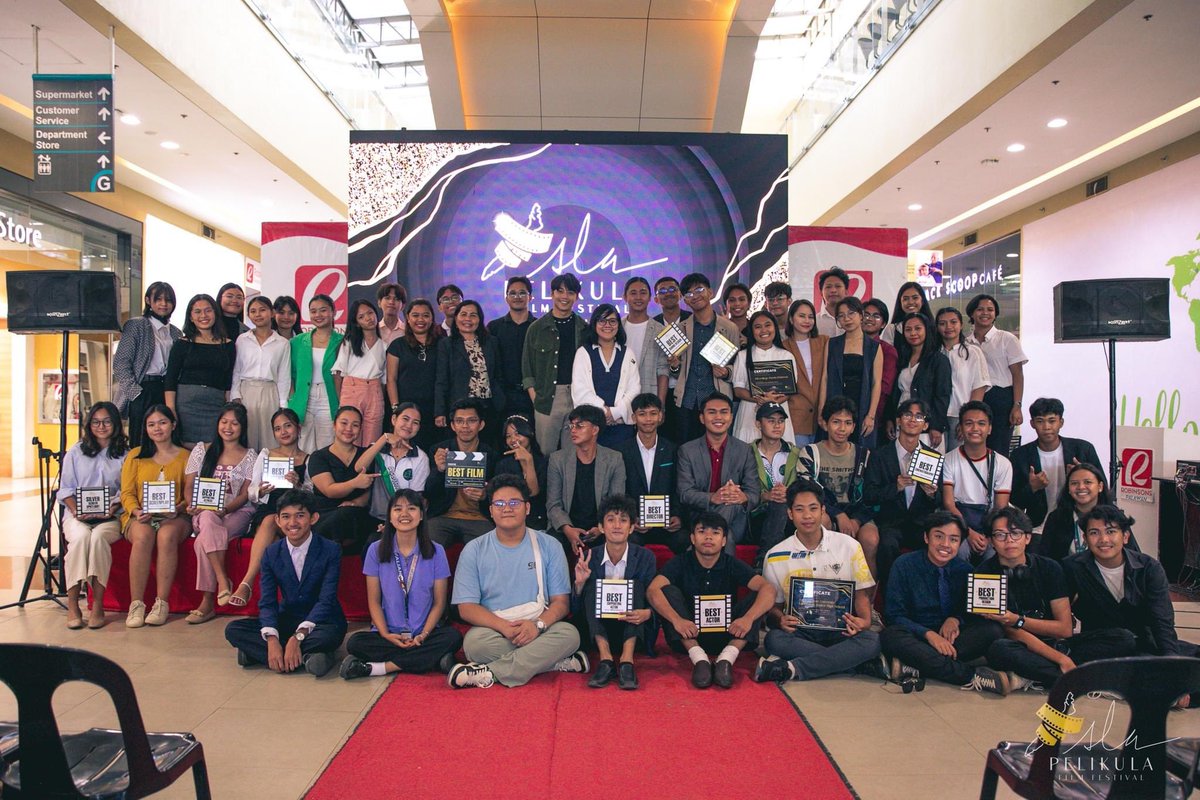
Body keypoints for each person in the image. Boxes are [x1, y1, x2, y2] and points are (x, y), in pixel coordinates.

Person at [448, 475, 588, 688]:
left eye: (514, 503)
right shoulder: (474, 550)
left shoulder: (549, 545)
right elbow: (466, 608)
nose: (507, 508)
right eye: (500, 504)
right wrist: (503, 627)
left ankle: (490, 673)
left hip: (539, 624)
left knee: (570, 635)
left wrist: (537, 626)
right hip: (496, 628)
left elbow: (561, 602)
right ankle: (551, 662)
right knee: (474, 645)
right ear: (491, 510)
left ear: (528, 508)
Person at [977, 507, 1135, 693]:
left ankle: (1027, 677)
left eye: (1016, 533)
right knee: (998, 649)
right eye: (1000, 535)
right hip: (1022, 647)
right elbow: (1011, 632)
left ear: (1028, 538)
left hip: (1059, 644)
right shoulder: (983, 575)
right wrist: (1060, 660)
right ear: (991, 541)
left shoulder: (1049, 568)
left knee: (1124, 638)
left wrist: (1019, 620)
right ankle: (1086, 680)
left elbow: (1065, 628)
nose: (1009, 540)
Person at [756, 478, 881, 682]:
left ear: (823, 511)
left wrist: (865, 621)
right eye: (799, 509)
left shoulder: (849, 546)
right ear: (789, 514)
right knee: (773, 639)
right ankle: (853, 661)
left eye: (813, 508)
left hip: (842, 631)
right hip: (801, 631)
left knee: (872, 640)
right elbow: (774, 608)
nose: (807, 516)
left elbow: (861, 594)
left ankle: (792, 668)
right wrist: (780, 619)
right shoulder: (776, 555)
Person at [340, 489, 463, 680]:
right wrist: (386, 634)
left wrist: (423, 634)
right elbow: (373, 601)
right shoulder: (376, 549)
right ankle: (432, 659)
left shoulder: (436, 550)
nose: (404, 514)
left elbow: (439, 603)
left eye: (412, 508)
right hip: (389, 635)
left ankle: (379, 668)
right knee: (355, 643)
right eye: (398, 509)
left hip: (425, 634)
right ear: (389, 516)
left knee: (452, 637)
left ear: (421, 515)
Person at [224, 489, 346, 676]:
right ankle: (309, 658)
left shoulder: (330, 550)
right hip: (287, 619)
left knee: (330, 636)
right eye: (286, 517)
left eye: (300, 516)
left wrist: (297, 638)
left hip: (322, 621)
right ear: (278, 521)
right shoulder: (271, 553)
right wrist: (272, 639)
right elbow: (267, 601)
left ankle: (262, 655)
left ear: (313, 518)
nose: (293, 523)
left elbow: (326, 600)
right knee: (233, 630)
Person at [647, 512, 776, 689]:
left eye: (715, 532)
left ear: (724, 540)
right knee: (666, 590)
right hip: (689, 634)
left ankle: (726, 659)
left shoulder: (731, 563)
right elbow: (653, 589)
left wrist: (748, 619)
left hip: (729, 633)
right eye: (702, 531)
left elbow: (768, 589)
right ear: (692, 538)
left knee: (758, 596)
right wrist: (677, 621)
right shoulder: (680, 562)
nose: (708, 537)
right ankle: (699, 659)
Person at [880, 512, 1004, 688]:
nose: (945, 545)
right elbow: (894, 615)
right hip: (917, 635)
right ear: (926, 537)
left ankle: (918, 664)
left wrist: (955, 619)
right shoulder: (904, 564)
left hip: (952, 639)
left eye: (953, 540)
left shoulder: (966, 570)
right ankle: (970, 675)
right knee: (889, 636)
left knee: (993, 630)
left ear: (960, 543)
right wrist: (929, 635)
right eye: (939, 536)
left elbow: (970, 612)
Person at [1064, 505, 1199, 666]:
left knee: (1189, 657)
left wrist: (1172, 663)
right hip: (1102, 643)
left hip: (1144, 640)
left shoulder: (1148, 568)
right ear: (1085, 539)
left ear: (1125, 536)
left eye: (1111, 531)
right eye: (1094, 533)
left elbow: (1162, 621)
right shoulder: (1072, 568)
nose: (1103, 539)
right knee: (1125, 642)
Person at [571, 494, 657, 689]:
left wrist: (648, 613)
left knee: (634, 587)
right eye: (611, 520)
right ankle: (606, 660)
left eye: (623, 520)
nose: (617, 525)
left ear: (632, 527)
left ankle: (627, 661)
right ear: (601, 527)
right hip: (599, 629)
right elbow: (576, 608)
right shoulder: (588, 557)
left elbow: (654, 599)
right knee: (592, 585)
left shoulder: (645, 557)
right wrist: (579, 584)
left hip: (634, 626)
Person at [184, 402, 257, 623]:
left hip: (237, 513)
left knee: (202, 541)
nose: (228, 427)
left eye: (234, 423)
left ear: (242, 428)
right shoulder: (201, 450)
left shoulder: (250, 456)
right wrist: (192, 504)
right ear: (217, 424)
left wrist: (225, 509)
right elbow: (189, 486)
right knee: (207, 517)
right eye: (224, 422)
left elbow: (245, 494)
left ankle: (207, 603)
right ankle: (223, 581)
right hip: (204, 513)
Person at [120, 404, 192, 628]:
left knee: (166, 535)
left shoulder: (186, 456)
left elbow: (190, 496)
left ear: (173, 425)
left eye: (162, 422)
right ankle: (137, 604)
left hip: (175, 517)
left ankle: (161, 603)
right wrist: (135, 510)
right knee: (143, 536)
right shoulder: (136, 455)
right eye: (151, 424)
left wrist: (177, 509)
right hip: (140, 516)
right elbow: (127, 493)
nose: (157, 428)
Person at [231, 408, 309, 608]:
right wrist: (262, 491)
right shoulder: (266, 454)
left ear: (298, 429)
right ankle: (248, 583)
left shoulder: (308, 458)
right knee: (269, 522)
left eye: (288, 426)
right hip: (270, 509)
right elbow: (251, 491)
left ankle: (268, 600)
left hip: (295, 514)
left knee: (275, 542)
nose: (283, 432)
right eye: (277, 428)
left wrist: (299, 484)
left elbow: (313, 493)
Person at [60, 402, 128, 629]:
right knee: (80, 539)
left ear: (116, 424)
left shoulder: (126, 455)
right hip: (77, 515)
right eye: (96, 421)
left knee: (98, 539)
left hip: (112, 515)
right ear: (89, 425)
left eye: (107, 421)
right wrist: (75, 510)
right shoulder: (75, 452)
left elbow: (127, 490)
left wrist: (113, 506)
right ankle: (73, 604)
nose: (101, 426)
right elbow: (65, 489)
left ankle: (98, 604)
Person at [861, 399, 942, 584]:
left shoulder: (933, 457)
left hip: (921, 522)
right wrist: (895, 487)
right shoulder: (879, 455)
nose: (913, 420)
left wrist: (931, 494)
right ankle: (890, 594)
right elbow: (869, 494)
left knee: (932, 542)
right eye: (907, 415)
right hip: (891, 522)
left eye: (919, 416)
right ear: (898, 420)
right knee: (887, 544)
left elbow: (941, 500)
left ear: (926, 425)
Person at [676, 391, 759, 552]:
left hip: (735, 520)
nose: (718, 417)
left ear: (731, 417)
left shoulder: (744, 450)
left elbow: (754, 494)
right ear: (702, 418)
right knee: (724, 538)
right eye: (712, 412)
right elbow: (684, 493)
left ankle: (704, 537)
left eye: (724, 412)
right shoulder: (687, 450)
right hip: (698, 517)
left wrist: (742, 497)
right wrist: (713, 498)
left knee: (731, 502)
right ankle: (715, 533)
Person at [799, 397, 874, 572]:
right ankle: (822, 586)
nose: (842, 428)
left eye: (848, 423)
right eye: (836, 422)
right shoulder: (810, 452)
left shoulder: (864, 455)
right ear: (825, 424)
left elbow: (872, 496)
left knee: (871, 539)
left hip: (856, 511)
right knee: (821, 522)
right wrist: (838, 515)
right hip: (825, 510)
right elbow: (808, 492)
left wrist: (856, 520)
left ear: (854, 427)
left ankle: (867, 596)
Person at [1009, 397, 1102, 532]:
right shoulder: (1020, 455)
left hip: (1081, 522)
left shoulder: (1083, 449)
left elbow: (1102, 488)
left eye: (1052, 421)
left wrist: (1082, 475)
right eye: (1040, 421)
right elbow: (1015, 501)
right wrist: (1032, 487)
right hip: (1037, 527)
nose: (1046, 427)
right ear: (1032, 423)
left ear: (1061, 422)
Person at [546, 405, 626, 558]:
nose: (573, 430)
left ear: (595, 430)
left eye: (579, 426)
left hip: (601, 526)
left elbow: (617, 502)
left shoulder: (614, 459)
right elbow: (553, 504)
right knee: (552, 543)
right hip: (565, 526)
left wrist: (601, 527)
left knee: (615, 538)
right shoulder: (558, 459)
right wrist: (568, 529)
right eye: (571, 426)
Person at [112, 281, 182, 448]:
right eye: (158, 299)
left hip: (166, 390)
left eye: (168, 300)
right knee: (141, 441)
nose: (164, 304)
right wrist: (135, 393)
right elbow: (121, 362)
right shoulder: (136, 325)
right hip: (142, 388)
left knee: (167, 439)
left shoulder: (175, 332)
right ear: (148, 300)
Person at [942, 401, 1013, 563]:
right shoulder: (948, 460)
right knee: (958, 552)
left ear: (990, 428)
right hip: (959, 523)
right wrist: (968, 532)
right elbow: (949, 503)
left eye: (981, 424)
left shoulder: (1003, 464)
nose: (975, 429)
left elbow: (1000, 508)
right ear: (960, 427)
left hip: (990, 525)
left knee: (995, 556)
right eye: (969, 423)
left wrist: (991, 537)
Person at [522, 273, 585, 454]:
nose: (564, 296)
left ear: (577, 297)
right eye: (560, 291)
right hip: (547, 398)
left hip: (577, 396)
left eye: (570, 292)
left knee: (573, 454)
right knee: (545, 453)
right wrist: (536, 398)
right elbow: (527, 368)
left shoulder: (584, 328)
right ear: (551, 294)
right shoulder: (536, 328)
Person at [674, 273, 740, 444]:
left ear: (710, 292)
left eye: (699, 290)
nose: (695, 296)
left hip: (717, 400)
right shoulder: (681, 329)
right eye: (688, 294)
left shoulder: (730, 328)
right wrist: (674, 366)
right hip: (687, 402)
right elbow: (675, 371)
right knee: (686, 452)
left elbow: (737, 366)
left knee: (717, 451)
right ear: (684, 300)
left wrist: (726, 372)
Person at [165, 293, 237, 447]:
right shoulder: (181, 344)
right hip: (186, 407)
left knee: (213, 449)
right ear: (190, 317)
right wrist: (171, 409)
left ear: (215, 314)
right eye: (197, 311)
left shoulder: (229, 344)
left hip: (216, 406)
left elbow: (229, 379)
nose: (203, 315)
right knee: (186, 450)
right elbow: (170, 380)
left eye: (208, 310)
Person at [426, 398, 498, 546]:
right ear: (452, 425)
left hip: (479, 518)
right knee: (428, 545)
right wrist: (439, 470)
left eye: (471, 421)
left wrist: (485, 494)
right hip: (443, 516)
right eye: (459, 421)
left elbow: (498, 491)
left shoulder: (491, 455)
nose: (465, 426)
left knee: (487, 550)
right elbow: (429, 493)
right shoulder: (439, 450)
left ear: (481, 425)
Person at [308, 405, 378, 553]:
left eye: (355, 425)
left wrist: (355, 502)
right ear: (334, 425)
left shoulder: (366, 455)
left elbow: (373, 489)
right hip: (325, 513)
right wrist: (355, 483)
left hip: (355, 512)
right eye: (344, 423)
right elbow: (329, 490)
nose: (349, 429)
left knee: (351, 516)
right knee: (336, 519)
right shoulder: (319, 457)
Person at [615, 393, 682, 549]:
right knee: (630, 542)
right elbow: (619, 491)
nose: (648, 419)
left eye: (653, 413)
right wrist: (630, 518)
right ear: (633, 417)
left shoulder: (673, 450)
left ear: (661, 416)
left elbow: (678, 487)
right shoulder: (620, 451)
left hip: (667, 524)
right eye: (642, 414)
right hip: (635, 524)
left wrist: (677, 516)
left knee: (683, 539)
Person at [1039, 462, 1139, 563]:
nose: (1081, 487)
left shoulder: (1114, 516)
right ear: (1068, 489)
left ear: (1100, 486)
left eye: (1087, 482)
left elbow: (1133, 555)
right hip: (1068, 576)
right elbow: (1045, 559)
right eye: (1074, 483)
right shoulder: (1057, 517)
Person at [435, 299, 504, 442]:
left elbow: (498, 376)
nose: (468, 319)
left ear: (480, 319)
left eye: (473, 315)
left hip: (489, 407)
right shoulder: (446, 344)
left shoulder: (492, 342)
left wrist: (501, 401)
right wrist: (440, 411)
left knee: (489, 448)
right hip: (460, 408)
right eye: (463, 314)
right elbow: (441, 380)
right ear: (456, 318)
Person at [966, 293, 1027, 457]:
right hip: (975, 398)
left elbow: (1018, 374)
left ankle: (999, 482)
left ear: (995, 314)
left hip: (1001, 399)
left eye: (990, 310)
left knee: (999, 448)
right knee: (973, 447)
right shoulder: (965, 343)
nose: (985, 313)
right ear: (972, 313)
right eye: (980, 309)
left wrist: (1017, 405)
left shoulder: (1006, 339)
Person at [572, 304, 640, 447]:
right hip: (592, 426)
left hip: (621, 426)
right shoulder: (583, 352)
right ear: (594, 324)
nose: (607, 325)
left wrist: (615, 413)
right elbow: (580, 389)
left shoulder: (627, 353)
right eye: (602, 321)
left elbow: (634, 388)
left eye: (612, 321)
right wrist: (603, 412)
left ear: (618, 325)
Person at [819, 296, 882, 448]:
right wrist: (821, 412)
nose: (846, 319)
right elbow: (825, 379)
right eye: (841, 315)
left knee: (860, 456)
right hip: (835, 404)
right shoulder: (832, 344)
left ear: (861, 315)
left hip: (862, 406)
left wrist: (871, 416)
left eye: (851, 313)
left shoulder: (873, 347)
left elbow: (876, 383)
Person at [231, 296, 291, 451]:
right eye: (253, 311)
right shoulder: (242, 340)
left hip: (270, 392)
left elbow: (284, 376)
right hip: (246, 391)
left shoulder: (282, 343)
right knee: (246, 436)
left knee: (269, 438)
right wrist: (235, 395)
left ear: (272, 313)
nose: (258, 314)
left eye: (262, 310)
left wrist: (283, 405)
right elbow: (237, 370)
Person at [288, 293, 344, 453]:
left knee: (327, 443)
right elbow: (290, 374)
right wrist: (292, 398)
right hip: (304, 396)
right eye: (313, 311)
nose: (318, 315)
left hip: (329, 396)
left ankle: (323, 477)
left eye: (323, 310)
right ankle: (304, 478)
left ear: (333, 312)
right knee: (303, 442)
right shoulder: (297, 341)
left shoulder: (343, 340)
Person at [731, 310, 797, 443]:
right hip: (749, 413)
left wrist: (772, 402)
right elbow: (738, 389)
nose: (763, 330)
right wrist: (759, 400)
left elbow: (790, 390)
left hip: (778, 412)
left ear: (775, 328)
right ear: (752, 331)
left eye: (768, 325)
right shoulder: (742, 355)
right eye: (758, 326)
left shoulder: (786, 356)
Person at [386, 299, 442, 452]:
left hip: (434, 410)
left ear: (432, 318)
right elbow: (391, 379)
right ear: (408, 318)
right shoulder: (397, 345)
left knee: (432, 450)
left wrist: (441, 410)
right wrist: (396, 408)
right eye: (415, 315)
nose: (420, 320)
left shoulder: (442, 343)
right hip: (406, 410)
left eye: (425, 315)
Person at [888, 313, 952, 449]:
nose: (913, 333)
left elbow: (942, 395)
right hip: (903, 421)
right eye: (908, 329)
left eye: (918, 328)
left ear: (927, 330)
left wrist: (936, 426)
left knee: (925, 466)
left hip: (926, 426)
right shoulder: (902, 358)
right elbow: (895, 393)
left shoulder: (938, 360)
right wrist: (890, 419)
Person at [333, 299, 388, 447]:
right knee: (350, 436)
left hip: (375, 391)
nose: (368, 318)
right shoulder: (349, 343)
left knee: (372, 439)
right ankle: (350, 470)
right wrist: (341, 400)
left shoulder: (384, 345)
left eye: (370, 313)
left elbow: (384, 379)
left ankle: (369, 469)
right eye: (361, 317)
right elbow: (338, 373)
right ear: (356, 322)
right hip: (352, 389)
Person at [935, 307, 990, 452]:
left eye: (953, 322)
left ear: (961, 325)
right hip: (936, 416)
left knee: (957, 461)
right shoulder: (932, 353)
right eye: (942, 323)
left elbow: (979, 387)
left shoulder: (972, 352)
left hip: (959, 415)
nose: (948, 327)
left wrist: (967, 419)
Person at [749, 403, 801, 556]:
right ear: (758, 424)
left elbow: (805, 488)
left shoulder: (797, 454)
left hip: (791, 515)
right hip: (757, 514)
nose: (777, 425)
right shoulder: (746, 453)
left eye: (781, 421)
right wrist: (764, 496)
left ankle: (764, 559)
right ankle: (768, 559)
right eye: (771, 421)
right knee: (778, 505)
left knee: (781, 505)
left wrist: (789, 494)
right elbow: (739, 489)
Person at [487, 276, 537, 419]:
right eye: (512, 293)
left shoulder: (539, 327)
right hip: (502, 397)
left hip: (532, 396)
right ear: (506, 298)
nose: (517, 297)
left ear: (530, 297)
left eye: (522, 293)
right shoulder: (494, 327)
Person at [782, 299, 828, 447]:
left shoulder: (824, 341)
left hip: (823, 416)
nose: (807, 320)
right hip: (796, 416)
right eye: (802, 316)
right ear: (791, 318)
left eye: (810, 316)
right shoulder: (782, 347)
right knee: (800, 465)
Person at [652, 275, 691, 438]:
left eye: (672, 289)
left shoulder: (692, 320)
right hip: (660, 392)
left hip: (687, 392)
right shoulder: (652, 325)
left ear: (680, 294)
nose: (668, 293)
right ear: (656, 299)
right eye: (662, 291)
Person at [494, 413, 548, 530]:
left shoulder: (544, 462)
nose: (513, 439)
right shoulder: (503, 464)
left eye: (518, 433)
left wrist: (528, 461)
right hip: (510, 517)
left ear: (530, 433)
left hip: (538, 517)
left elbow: (533, 493)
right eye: (508, 436)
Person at [620, 277, 669, 405]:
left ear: (650, 297)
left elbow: (663, 370)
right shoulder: (616, 328)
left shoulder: (661, 330)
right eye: (633, 293)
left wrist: (661, 404)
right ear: (625, 297)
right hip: (619, 399)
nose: (638, 298)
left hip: (649, 398)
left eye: (643, 293)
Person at [861, 297, 898, 426]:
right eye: (866, 314)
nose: (869, 319)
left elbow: (884, 388)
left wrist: (871, 414)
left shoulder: (887, 351)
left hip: (874, 415)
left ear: (883, 324)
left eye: (876, 316)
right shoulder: (847, 346)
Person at [882, 281, 933, 346]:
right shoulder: (892, 329)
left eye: (915, 298)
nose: (910, 302)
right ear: (900, 302)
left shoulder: (932, 326)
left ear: (922, 301)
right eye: (905, 299)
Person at [814, 267, 850, 337]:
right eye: (828, 287)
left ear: (846, 291)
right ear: (821, 293)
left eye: (838, 286)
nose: (833, 290)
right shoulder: (814, 322)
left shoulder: (855, 321)